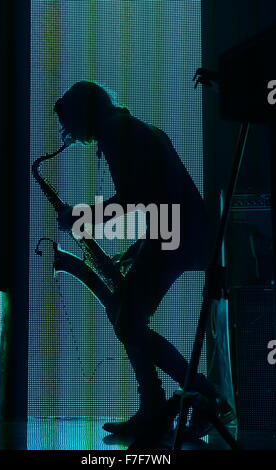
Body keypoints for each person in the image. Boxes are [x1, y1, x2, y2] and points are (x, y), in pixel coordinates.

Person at [54, 81, 234, 439]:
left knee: (126, 320)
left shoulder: (115, 131)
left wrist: (82, 217)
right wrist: (140, 247)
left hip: (177, 237)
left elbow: (135, 196)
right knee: (124, 313)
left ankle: (204, 395)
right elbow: (159, 193)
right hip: (181, 234)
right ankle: (157, 404)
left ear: (82, 114)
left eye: (70, 125)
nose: (70, 136)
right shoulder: (131, 126)